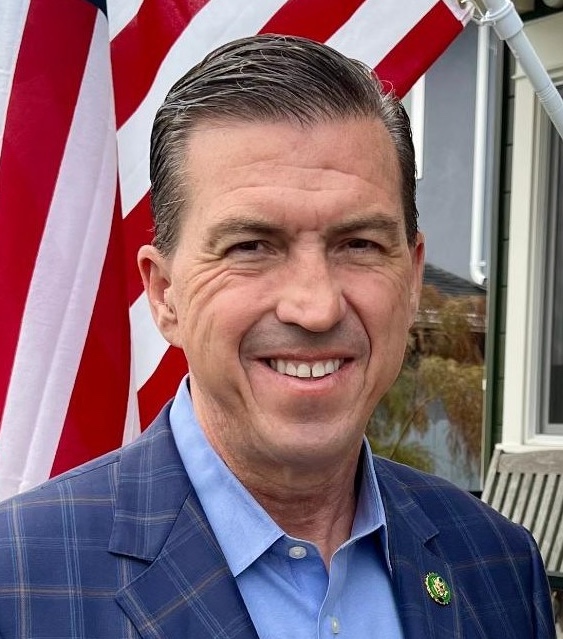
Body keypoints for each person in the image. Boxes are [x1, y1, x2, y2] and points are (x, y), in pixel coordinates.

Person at [0, 35, 556, 639]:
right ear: (164, 294)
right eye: (251, 247)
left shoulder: (497, 564)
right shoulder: (19, 579)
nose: (315, 308)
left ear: (413, 278)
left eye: (360, 244)